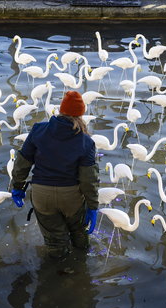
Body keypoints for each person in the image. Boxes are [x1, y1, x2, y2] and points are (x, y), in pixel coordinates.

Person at [10, 90, 99, 259]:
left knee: (55, 241)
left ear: (60, 110)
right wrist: (93, 206)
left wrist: (17, 187)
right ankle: (81, 268)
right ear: (81, 114)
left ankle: (57, 273)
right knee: (79, 234)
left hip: (42, 195)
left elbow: (22, 163)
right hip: (71, 197)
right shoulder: (86, 141)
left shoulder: (38, 130)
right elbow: (88, 180)